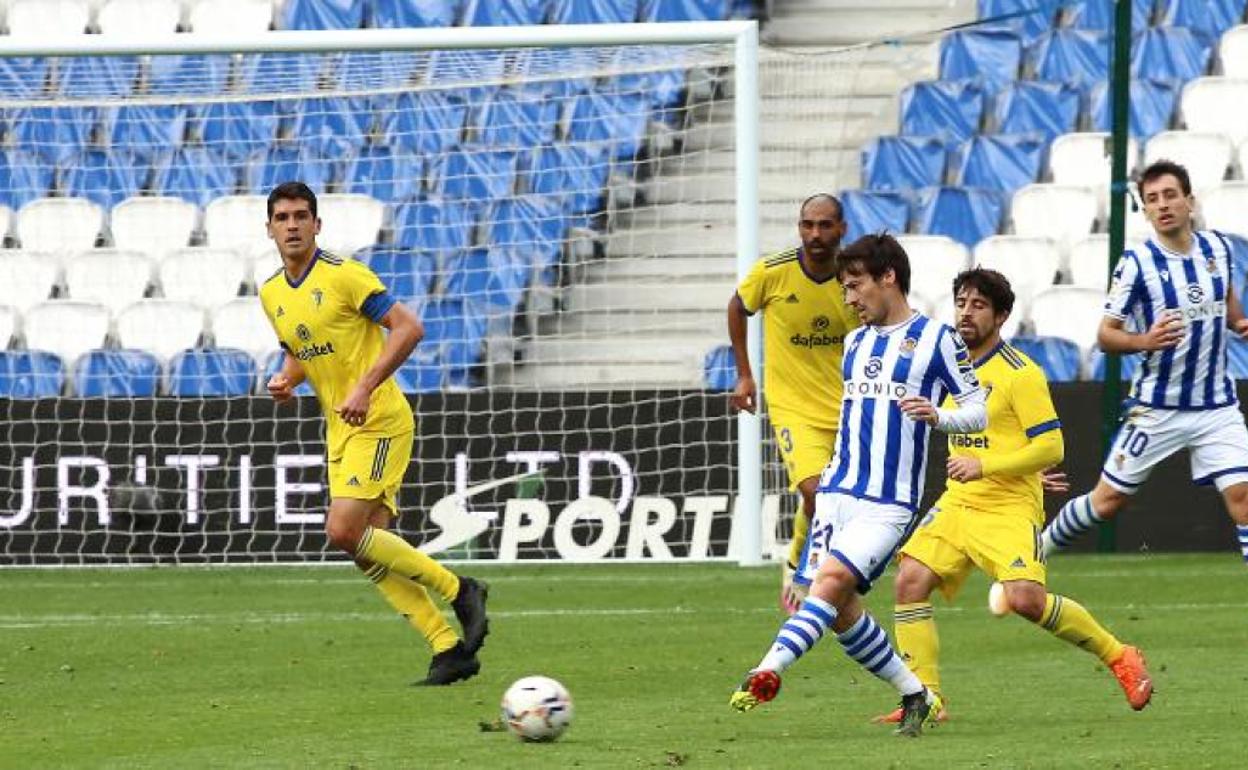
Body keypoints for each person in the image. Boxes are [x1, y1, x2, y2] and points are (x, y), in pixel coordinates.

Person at [730, 233, 987, 737]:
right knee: (841, 610)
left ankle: (767, 670)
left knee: (825, 587)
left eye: (854, 286)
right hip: (836, 492)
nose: (848, 299)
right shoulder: (855, 342)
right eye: (845, 289)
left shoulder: (939, 340)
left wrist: (939, 417)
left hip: (888, 503)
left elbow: (978, 410)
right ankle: (917, 694)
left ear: (887, 277)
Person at [871, 268, 1153, 725]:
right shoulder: (949, 366)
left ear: (1001, 316)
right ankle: (927, 699)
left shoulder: (1021, 374)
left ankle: (1120, 654)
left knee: (1024, 600)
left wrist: (989, 466)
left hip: (1007, 506)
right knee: (910, 580)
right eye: (962, 302)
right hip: (959, 500)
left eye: (979, 305)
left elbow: (1051, 447)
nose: (966, 312)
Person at [259, 181, 488, 685]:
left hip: (379, 417)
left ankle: (461, 589)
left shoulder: (346, 276)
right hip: (340, 427)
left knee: (342, 531)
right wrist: (284, 378)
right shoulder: (272, 292)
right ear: (270, 228)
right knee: (366, 545)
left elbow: (408, 327)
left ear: (317, 224)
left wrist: (364, 387)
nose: (292, 225)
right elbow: (303, 349)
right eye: (282, 217)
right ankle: (447, 647)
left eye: (301, 215)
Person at [1039, 159, 1248, 563]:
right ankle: (1037, 552)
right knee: (1107, 502)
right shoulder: (1137, 264)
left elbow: (1227, 298)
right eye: (1152, 199)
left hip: (1216, 407)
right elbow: (1105, 334)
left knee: (1243, 497)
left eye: (1170, 195)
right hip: (1157, 408)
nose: (1162, 205)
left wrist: (1239, 322)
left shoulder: (1218, 249)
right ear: (1146, 210)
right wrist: (1144, 340)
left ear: (1190, 201)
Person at [728, 193, 859, 614]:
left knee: (831, 501)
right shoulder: (773, 272)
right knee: (816, 492)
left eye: (824, 225)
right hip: (793, 407)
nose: (815, 234)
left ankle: (805, 555)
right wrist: (745, 374)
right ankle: (801, 568)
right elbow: (738, 306)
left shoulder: (854, 280)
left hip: (849, 406)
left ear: (842, 229)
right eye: (807, 225)